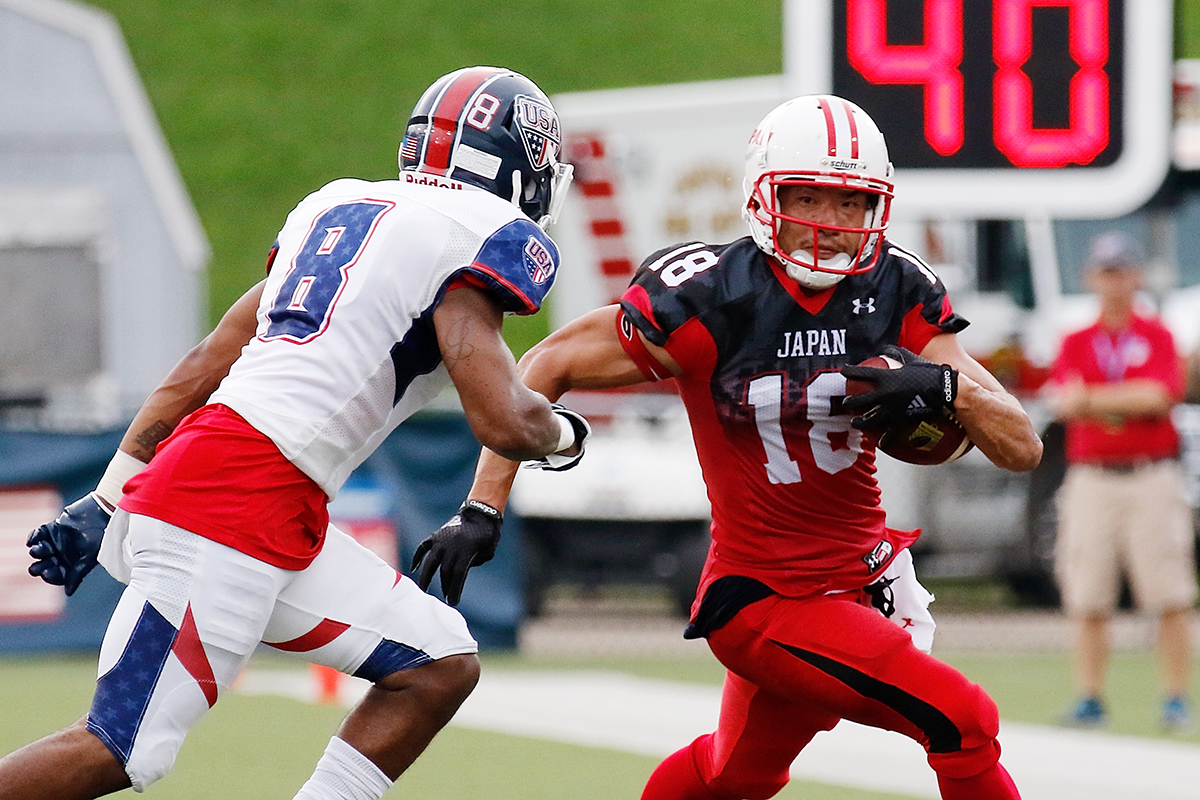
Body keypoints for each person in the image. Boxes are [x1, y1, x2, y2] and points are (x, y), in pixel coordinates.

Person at [413, 95, 1043, 800]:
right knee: (963, 720)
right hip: (764, 598)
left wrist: (948, 388)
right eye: (809, 197)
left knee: (733, 773)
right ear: (762, 192)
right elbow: (544, 363)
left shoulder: (894, 289)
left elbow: (1020, 446)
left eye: (849, 203)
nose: (830, 226)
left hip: (860, 584)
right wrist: (483, 507)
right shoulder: (711, 298)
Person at [5, 65, 589, 800]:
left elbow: (204, 363)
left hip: (261, 498)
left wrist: (109, 495)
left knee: (438, 663)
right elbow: (504, 416)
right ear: (521, 163)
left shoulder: (338, 208)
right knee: (120, 746)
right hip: (229, 501)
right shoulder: (474, 236)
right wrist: (564, 435)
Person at [1047, 231, 1197, 732]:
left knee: (1169, 591)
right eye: (1106, 271)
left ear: (1136, 276)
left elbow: (1159, 395)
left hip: (1149, 472)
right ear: (1093, 277)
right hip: (1093, 477)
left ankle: (1175, 696)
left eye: (1122, 270)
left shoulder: (1155, 334)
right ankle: (1089, 695)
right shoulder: (1076, 339)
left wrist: (1094, 400)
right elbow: (1064, 402)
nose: (1114, 281)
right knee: (1087, 590)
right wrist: (1114, 399)